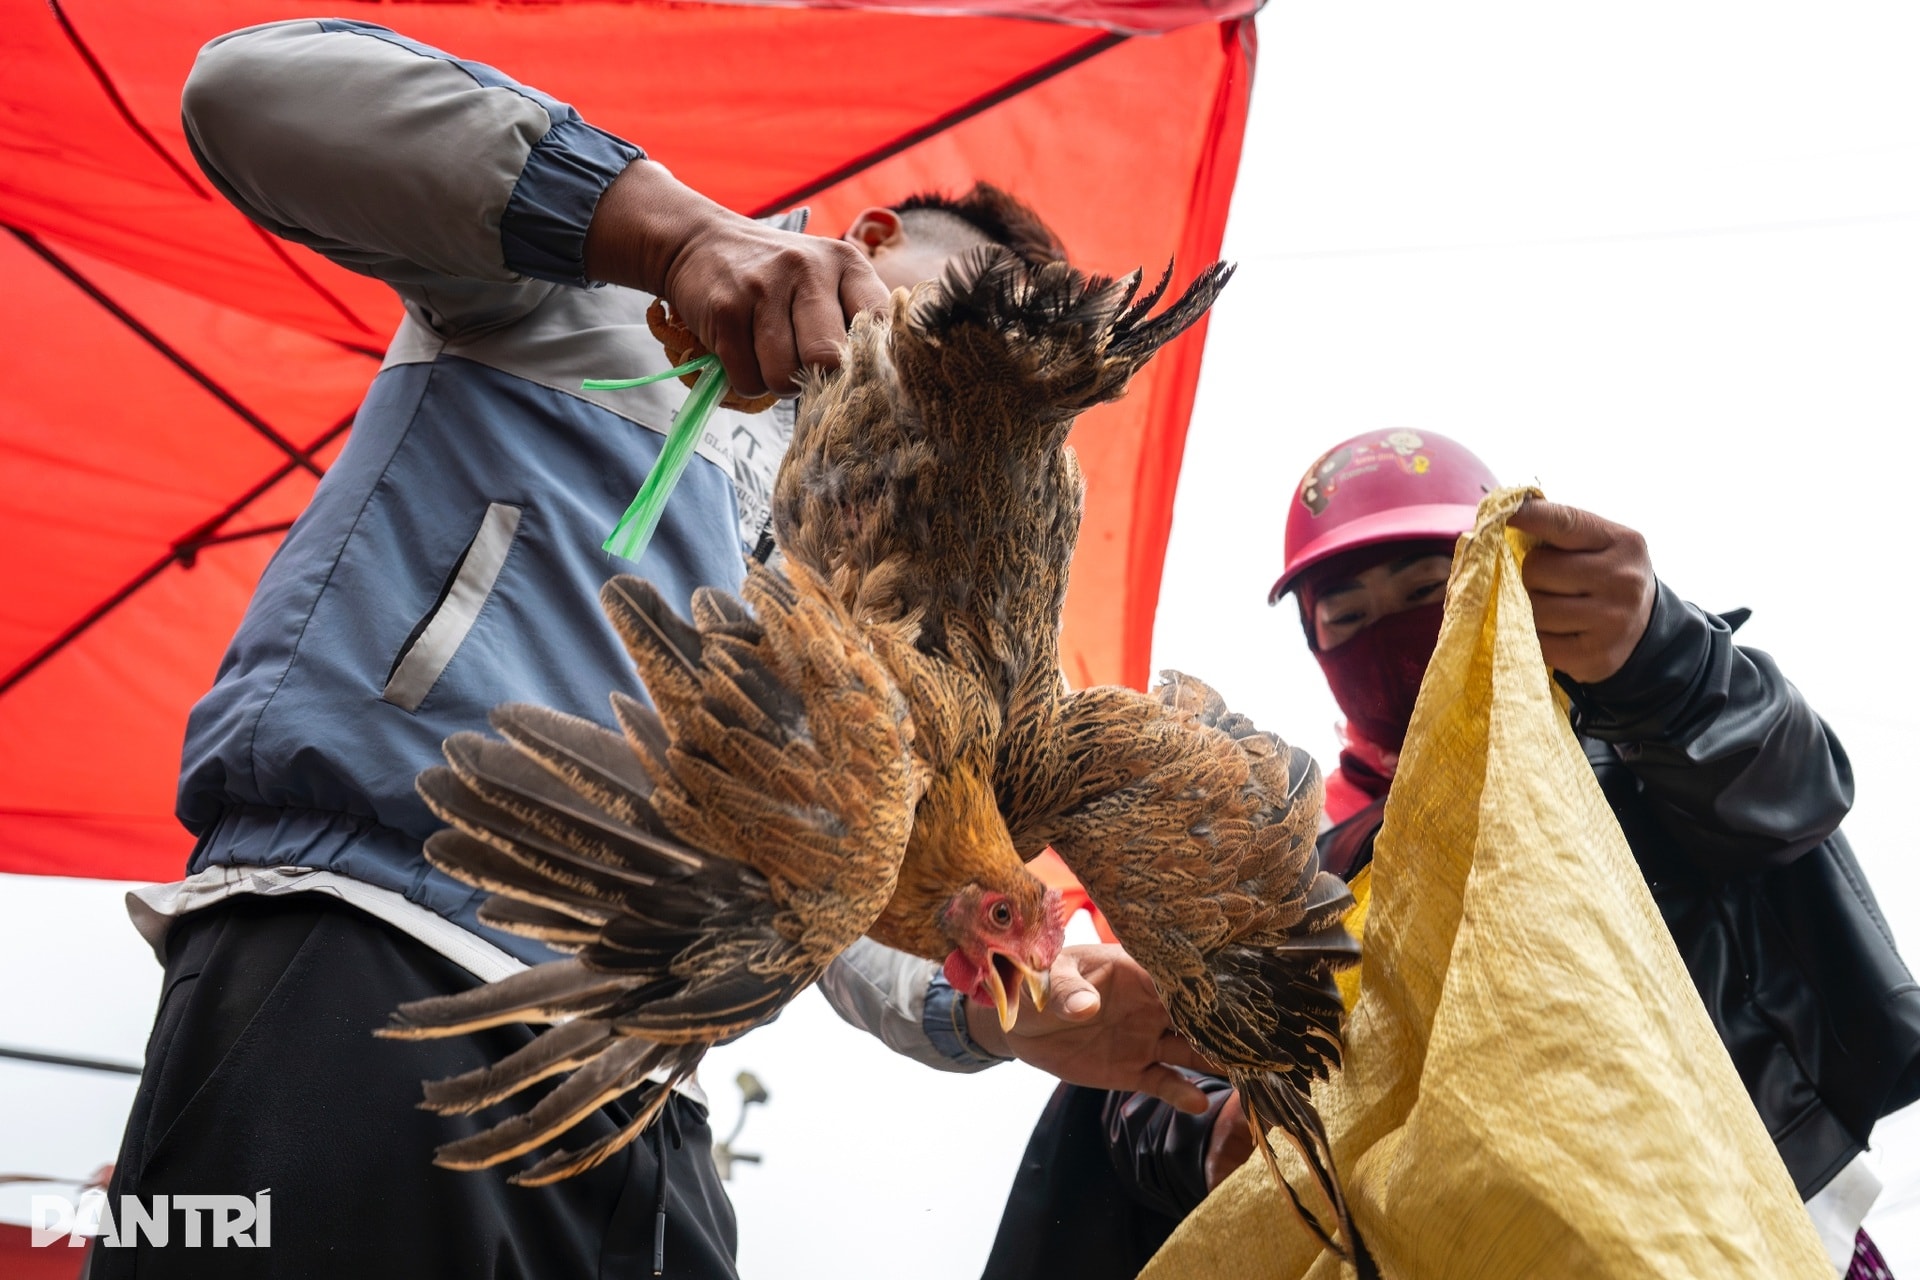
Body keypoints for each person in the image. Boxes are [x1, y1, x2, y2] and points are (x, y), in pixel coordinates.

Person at [94, 20, 1212, 1278]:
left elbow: (832, 906)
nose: (946, 395)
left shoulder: (862, 599)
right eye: (951, 327)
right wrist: (666, 232)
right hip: (373, 956)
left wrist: (1002, 1003)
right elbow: (249, 90)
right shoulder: (595, 288)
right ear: (874, 244)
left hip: (652, 1116)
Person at [985, 429, 1920, 1280]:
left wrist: (1662, 652)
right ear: (1313, 643)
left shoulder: (1638, 742)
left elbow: (1791, 789)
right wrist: (1215, 1132)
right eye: (1347, 616)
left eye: (1427, 593)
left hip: (1751, 1218)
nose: (1390, 632)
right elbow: (1152, 1071)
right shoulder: (1286, 867)